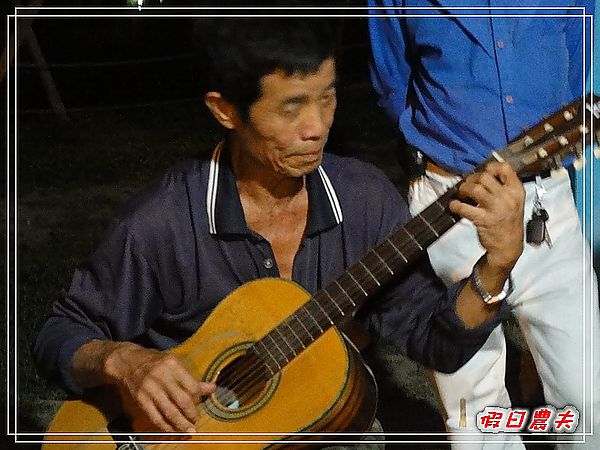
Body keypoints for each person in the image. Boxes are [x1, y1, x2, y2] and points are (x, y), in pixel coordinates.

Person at [33, 18, 525, 446]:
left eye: (327, 98)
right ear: (225, 109)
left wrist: (495, 267)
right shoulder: (161, 223)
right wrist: (123, 361)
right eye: (291, 108)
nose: (317, 127)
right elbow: (59, 334)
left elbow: (434, 343)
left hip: (321, 427)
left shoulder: (364, 201)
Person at [368, 1, 600, 449]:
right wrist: (441, 152)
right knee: (474, 410)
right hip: (452, 203)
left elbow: (575, 64)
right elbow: (392, 81)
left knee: (585, 398)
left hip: (546, 199)